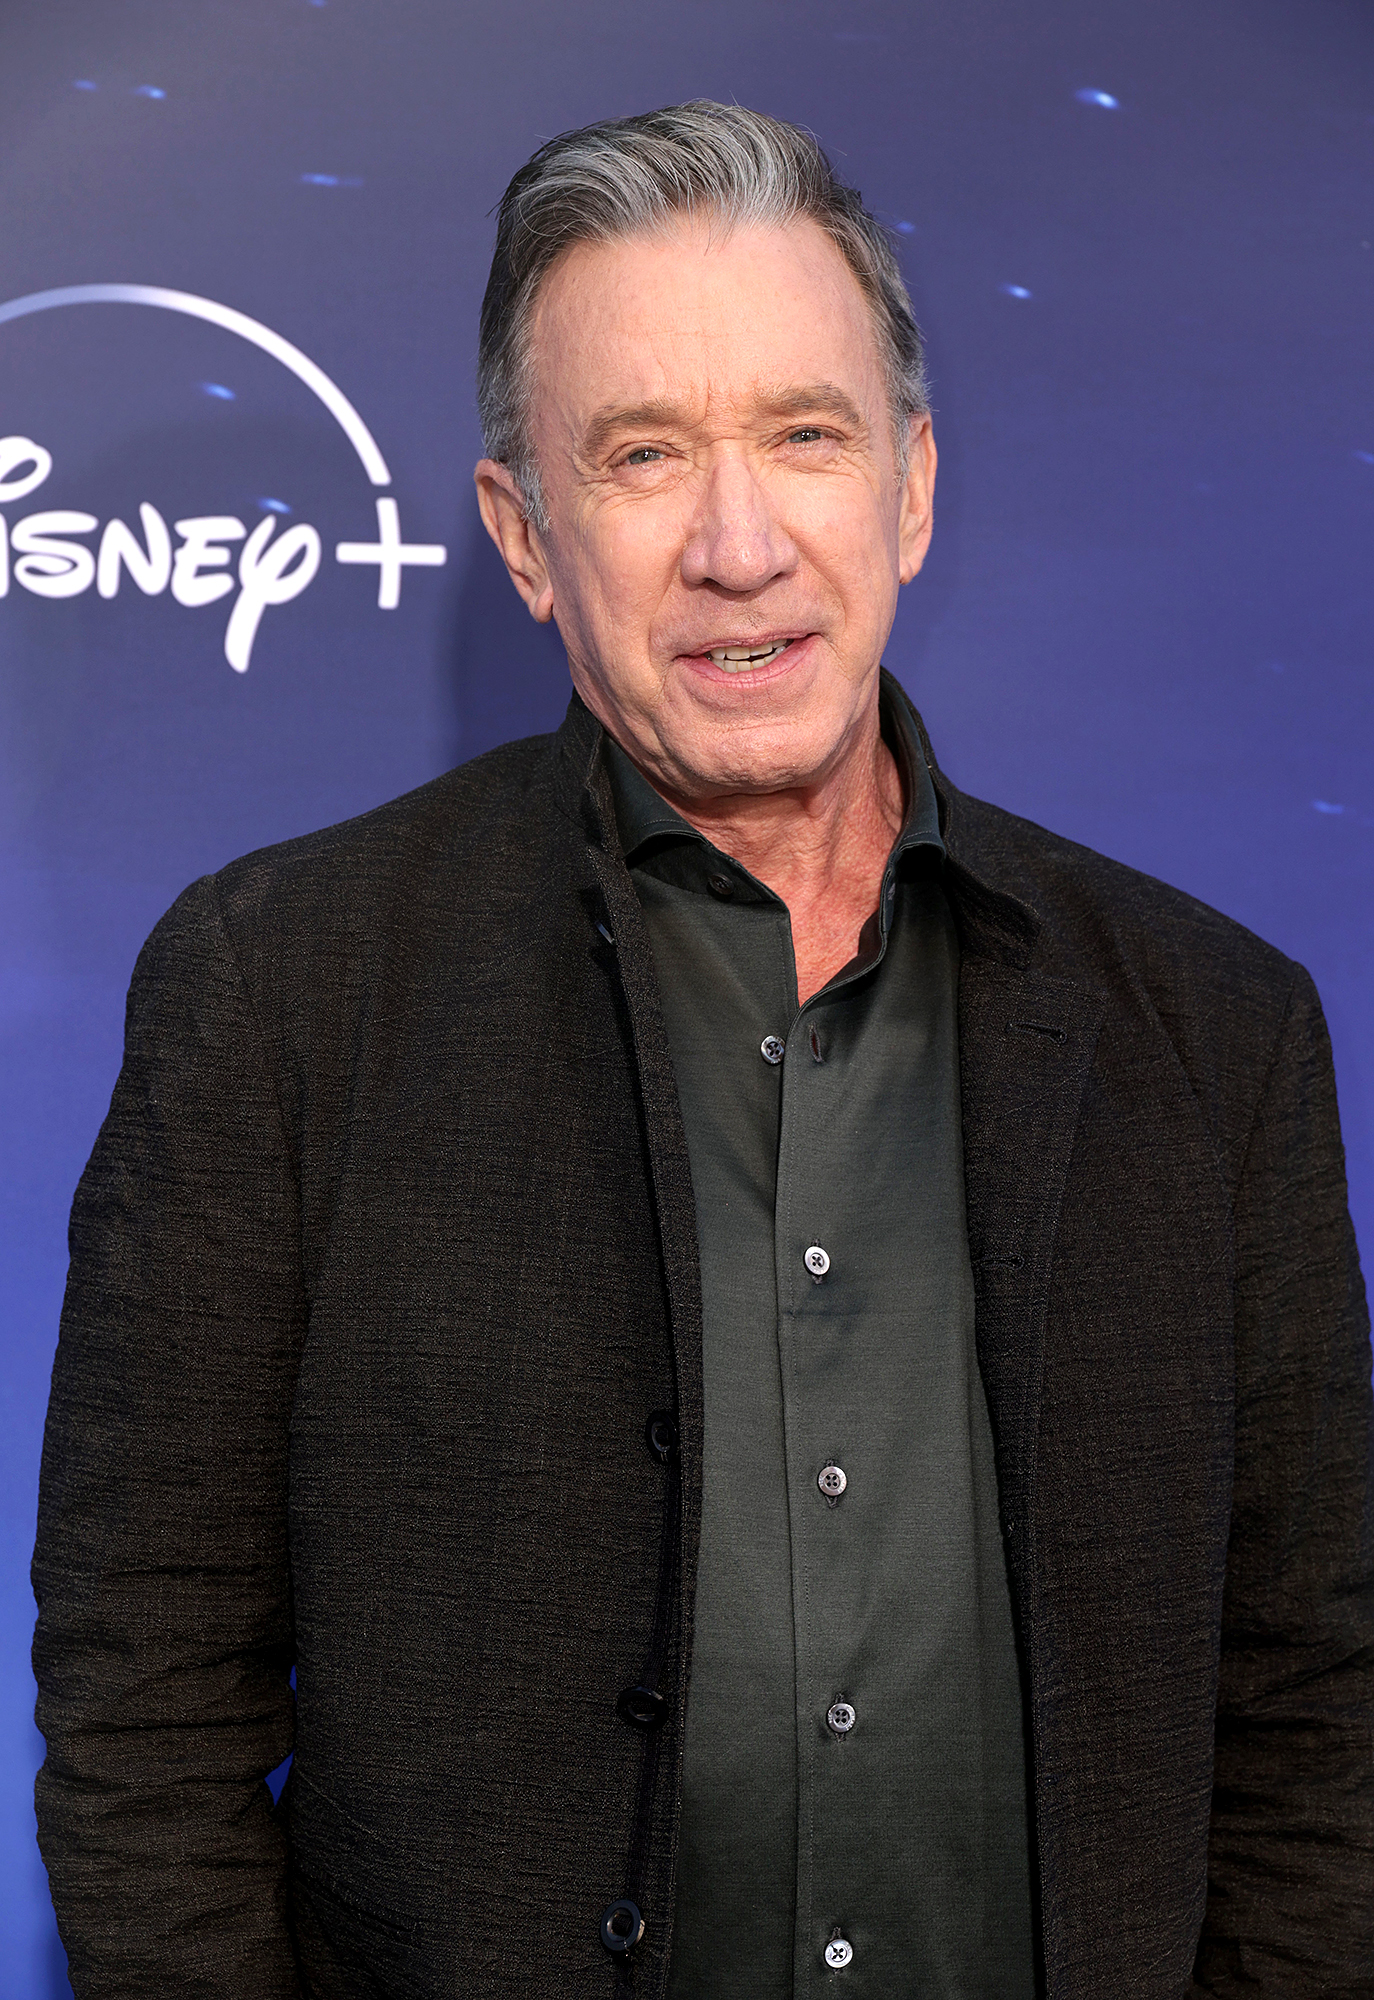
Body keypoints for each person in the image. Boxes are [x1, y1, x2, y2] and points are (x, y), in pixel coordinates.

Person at [32, 101, 1372, 2000]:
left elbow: (1313, 1706)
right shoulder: (278, 990)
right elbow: (144, 1708)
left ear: (910, 488)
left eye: (804, 437)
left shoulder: (1213, 1027)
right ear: (524, 538)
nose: (739, 547)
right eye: (644, 455)